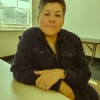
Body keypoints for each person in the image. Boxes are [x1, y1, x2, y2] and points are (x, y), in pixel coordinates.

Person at [10, 0, 99, 100]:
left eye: (57, 15)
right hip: (44, 93)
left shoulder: (74, 40)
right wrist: (58, 84)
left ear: (63, 20)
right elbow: (18, 70)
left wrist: (62, 73)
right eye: (47, 14)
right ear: (38, 18)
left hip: (77, 93)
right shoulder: (29, 36)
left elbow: (85, 74)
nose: (52, 19)